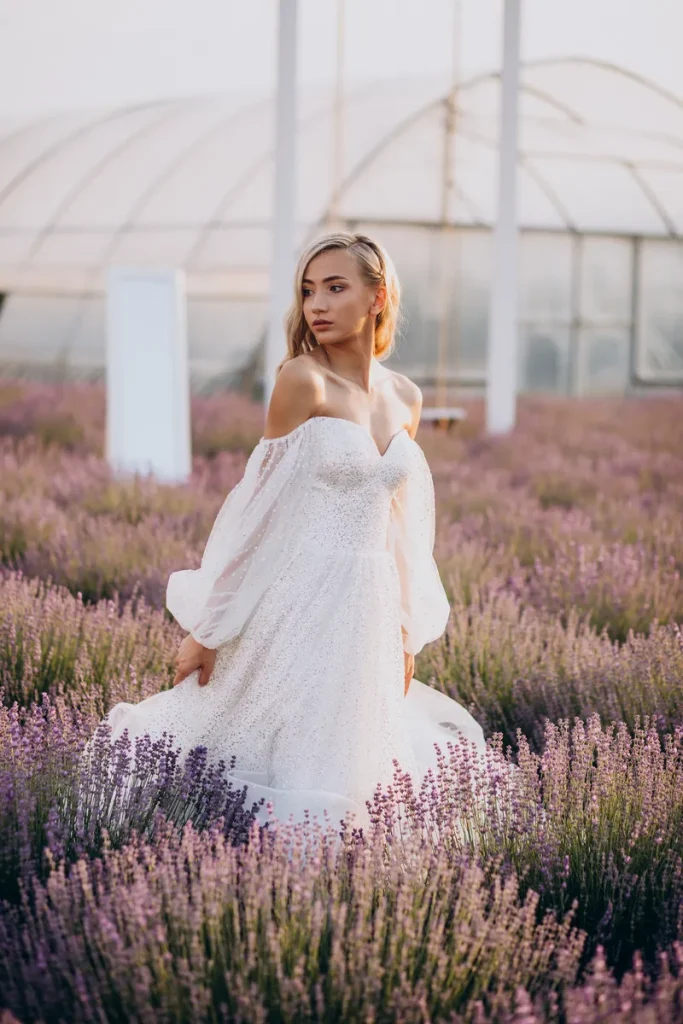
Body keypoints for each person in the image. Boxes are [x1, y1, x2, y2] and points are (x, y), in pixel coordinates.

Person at [98, 231, 486, 837]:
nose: (317, 305)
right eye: (308, 291)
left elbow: (401, 528)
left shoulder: (405, 397)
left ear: (377, 296)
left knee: (354, 747)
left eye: (336, 288)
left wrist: (407, 633)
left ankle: (342, 873)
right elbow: (258, 512)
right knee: (271, 738)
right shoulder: (303, 380)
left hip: (371, 606)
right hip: (299, 595)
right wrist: (210, 628)